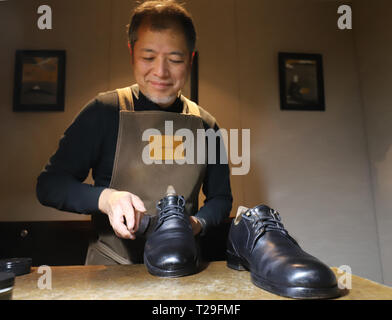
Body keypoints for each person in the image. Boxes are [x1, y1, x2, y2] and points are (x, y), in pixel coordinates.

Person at [36, 0, 233, 265]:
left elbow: (220, 198)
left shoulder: (205, 125)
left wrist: (197, 223)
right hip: (111, 268)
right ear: (131, 53)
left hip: (183, 267)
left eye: (175, 59)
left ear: (190, 59)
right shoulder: (103, 112)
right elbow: (49, 185)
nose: (161, 72)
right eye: (148, 57)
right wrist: (106, 198)